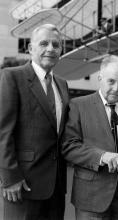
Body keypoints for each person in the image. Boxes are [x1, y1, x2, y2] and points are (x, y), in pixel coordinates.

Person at [0, 24, 69, 220]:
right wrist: (10, 178)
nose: (50, 49)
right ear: (30, 49)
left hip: (56, 187)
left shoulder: (62, 85)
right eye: (44, 43)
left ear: (61, 51)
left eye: (56, 45)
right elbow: (3, 132)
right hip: (22, 185)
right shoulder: (12, 77)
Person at [62, 55, 118, 220]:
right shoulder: (78, 105)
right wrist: (102, 156)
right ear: (100, 78)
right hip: (91, 197)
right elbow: (69, 146)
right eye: (111, 81)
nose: (116, 88)